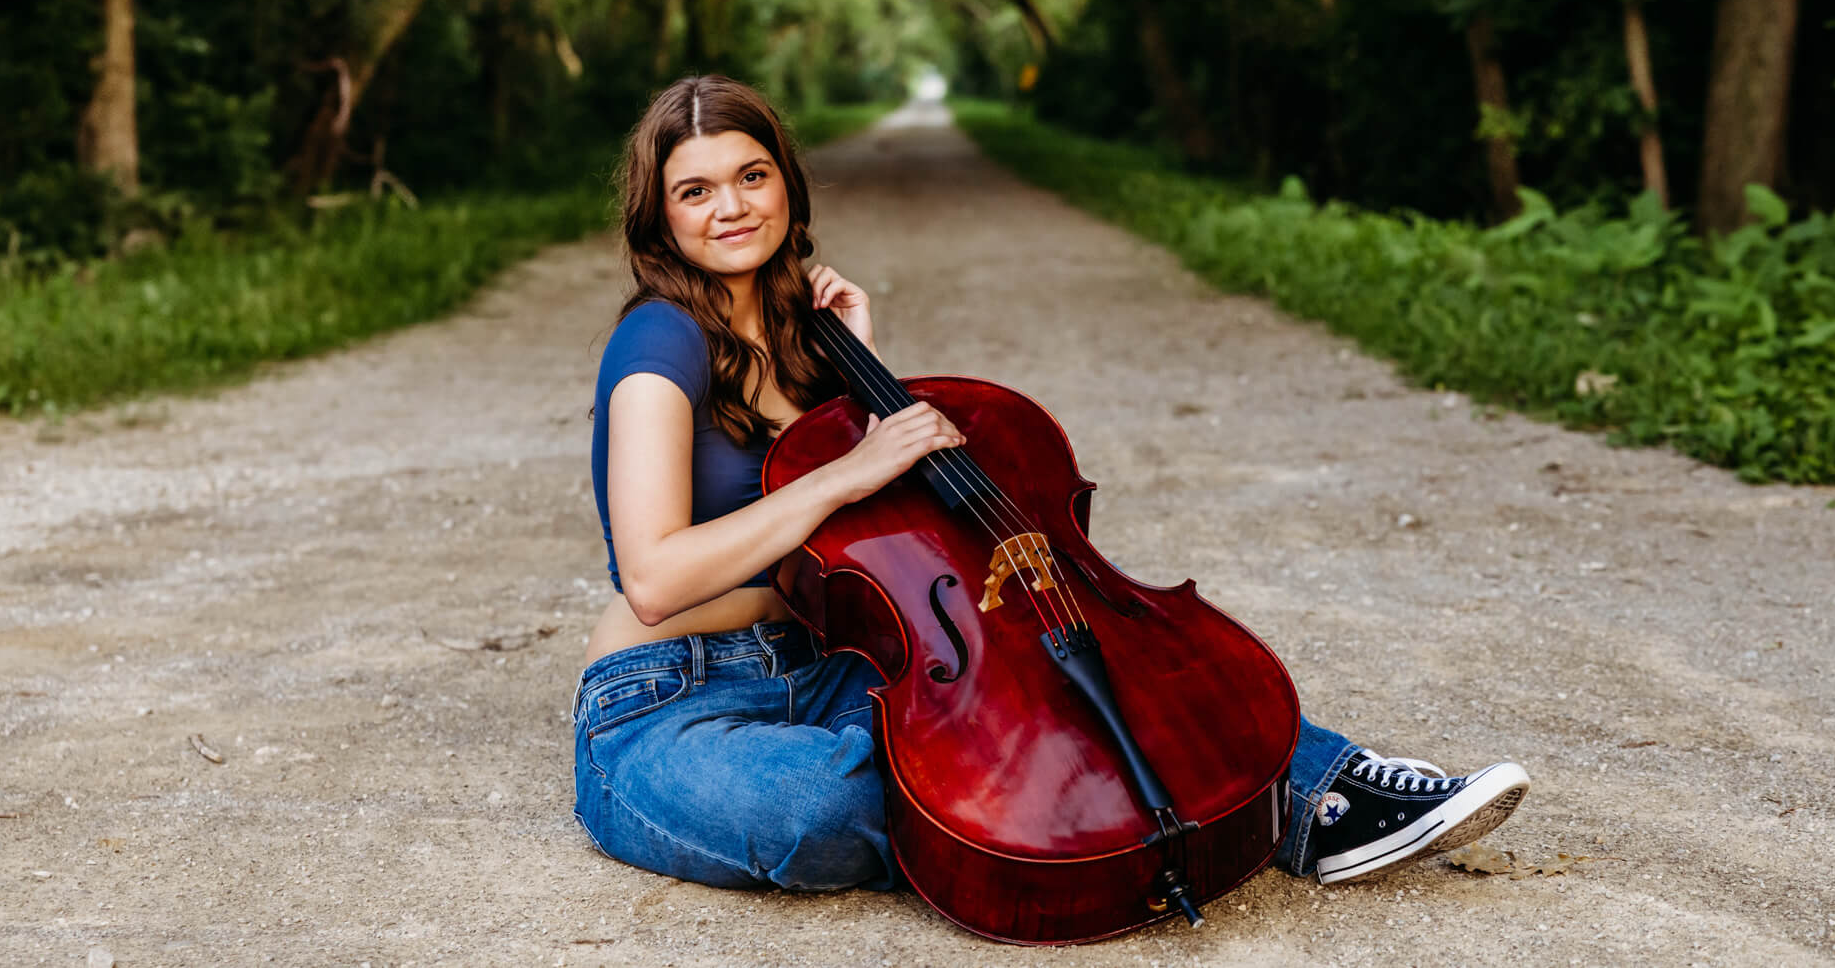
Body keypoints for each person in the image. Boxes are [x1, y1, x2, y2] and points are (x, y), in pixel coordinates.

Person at [572, 74, 1529, 898]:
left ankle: (1324, 796)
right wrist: (855, 466)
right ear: (659, 213)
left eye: (751, 176)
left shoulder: (806, 331)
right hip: (669, 697)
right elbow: (653, 579)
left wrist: (860, 361)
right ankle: (1101, 826)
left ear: (786, 182)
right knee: (829, 805)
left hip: (824, 661)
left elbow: (869, 536)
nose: (729, 207)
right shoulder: (659, 340)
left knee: (1044, 675)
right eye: (694, 190)